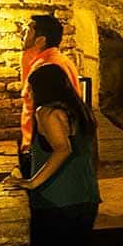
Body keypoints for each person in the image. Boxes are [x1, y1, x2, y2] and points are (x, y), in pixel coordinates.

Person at [11, 64, 101, 246]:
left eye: (30, 88)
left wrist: (32, 181)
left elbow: (61, 149)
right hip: (85, 199)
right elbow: (91, 157)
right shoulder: (80, 112)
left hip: (57, 202)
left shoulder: (46, 113)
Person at [19, 14, 80, 177]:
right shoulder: (55, 61)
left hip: (48, 151)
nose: (22, 35)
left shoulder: (48, 67)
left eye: (28, 30)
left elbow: (52, 116)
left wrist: (33, 148)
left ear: (40, 40)